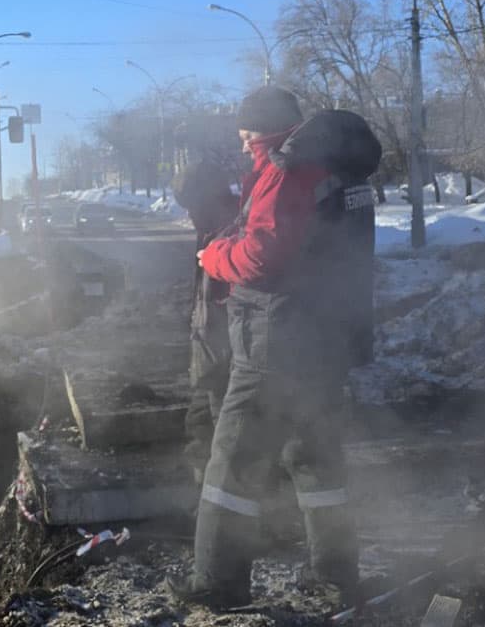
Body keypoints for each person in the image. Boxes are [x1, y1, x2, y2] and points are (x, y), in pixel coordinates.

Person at [168, 85, 381, 610]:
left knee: (233, 463)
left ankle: (216, 585)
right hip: (326, 340)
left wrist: (216, 257)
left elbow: (263, 256)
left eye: (245, 135)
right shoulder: (342, 172)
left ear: (264, 130)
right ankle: (335, 577)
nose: (243, 147)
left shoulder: (287, 171)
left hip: (275, 343)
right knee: (317, 460)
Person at [170, 162, 238, 483]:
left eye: (193, 207)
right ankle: (205, 507)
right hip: (208, 358)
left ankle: (226, 517)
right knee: (200, 428)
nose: (189, 216)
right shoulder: (209, 232)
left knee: (224, 441)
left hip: (227, 364)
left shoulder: (234, 235)